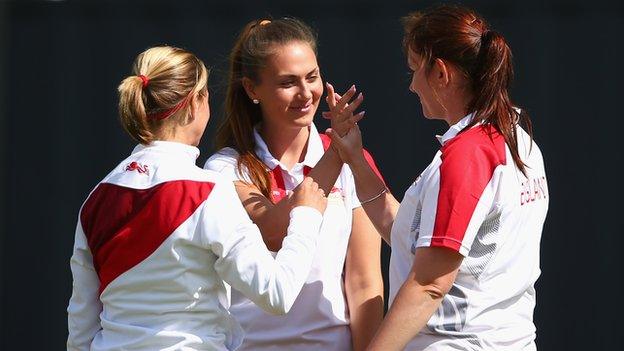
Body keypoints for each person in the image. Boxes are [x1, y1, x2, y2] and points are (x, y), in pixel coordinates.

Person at [66, 45, 329, 351]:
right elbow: (276, 293)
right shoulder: (208, 191)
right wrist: (306, 215)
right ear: (195, 104)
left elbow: (81, 328)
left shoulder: (97, 199)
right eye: (206, 96)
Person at [325, 5, 549, 350]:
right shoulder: (514, 137)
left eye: (415, 70)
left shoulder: (470, 154)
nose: (413, 85)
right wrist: (355, 158)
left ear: (441, 73)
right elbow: (414, 240)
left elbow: (430, 282)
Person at [204, 18, 384, 350]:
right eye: (288, 82)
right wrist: (337, 153)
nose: (305, 93)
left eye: (312, 77)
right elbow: (273, 233)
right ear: (251, 89)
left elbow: (364, 282)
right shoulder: (226, 168)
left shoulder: (354, 160)